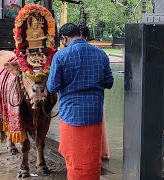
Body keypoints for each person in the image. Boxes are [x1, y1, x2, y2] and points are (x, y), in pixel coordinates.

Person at [47, 23, 114, 180]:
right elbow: (109, 82)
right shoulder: (101, 54)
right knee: (91, 158)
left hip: (71, 115)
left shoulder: (61, 56)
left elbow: (52, 87)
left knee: (74, 157)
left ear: (64, 38)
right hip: (94, 114)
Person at [78, 23, 110, 160]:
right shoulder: (100, 54)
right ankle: (100, 153)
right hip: (96, 99)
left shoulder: (66, 55)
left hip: (76, 103)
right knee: (98, 125)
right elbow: (109, 82)